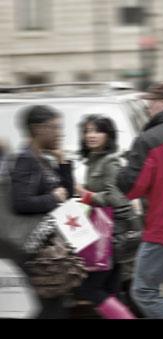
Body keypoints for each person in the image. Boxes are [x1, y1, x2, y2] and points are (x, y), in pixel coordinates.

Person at [116, 82, 163, 319]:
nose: (148, 108)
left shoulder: (149, 139)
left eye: (150, 102)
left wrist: (123, 170)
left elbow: (131, 187)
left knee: (144, 291)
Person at [10, 105, 74, 318]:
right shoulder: (25, 160)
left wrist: (62, 162)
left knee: (53, 306)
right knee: (50, 308)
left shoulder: (42, 160)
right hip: (34, 249)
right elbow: (20, 202)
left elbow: (68, 193)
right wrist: (52, 198)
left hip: (48, 250)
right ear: (38, 129)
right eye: (54, 128)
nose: (59, 133)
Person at [74, 115, 137, 319]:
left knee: (89, 289)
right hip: (105, 235)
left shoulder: (110, 161)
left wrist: (86, 195)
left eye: (97, 131)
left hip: (111, 236)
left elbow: (115, 197)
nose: (90, 135)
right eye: (87, 131)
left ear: (108, 135)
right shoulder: (94, 160)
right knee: (111, 291)